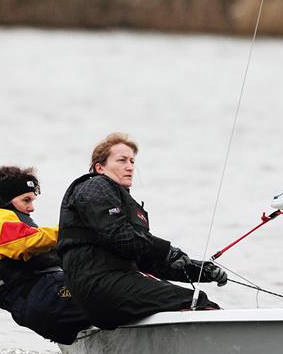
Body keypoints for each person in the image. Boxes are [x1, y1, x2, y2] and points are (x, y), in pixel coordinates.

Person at [58, 133, 226, 329]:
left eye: (132, 161)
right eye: (121, 160)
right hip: (98, 285)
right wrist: (167, 250)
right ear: (100, 167)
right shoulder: (95, 185)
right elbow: (118, 235)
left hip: (114, 285)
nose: (130, 166)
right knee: (198, 301)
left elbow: (146, 260)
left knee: (196, 298)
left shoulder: (122, 201)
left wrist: (201, 271)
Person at [0, 166, 91, 344]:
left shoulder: (8, 221)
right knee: (111, 291)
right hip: (42, 298)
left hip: (41, 302)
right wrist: (74, 230)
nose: (31, 208)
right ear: (5, 199)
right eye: (26, 200)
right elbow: (21, 243)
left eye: (32, 201)